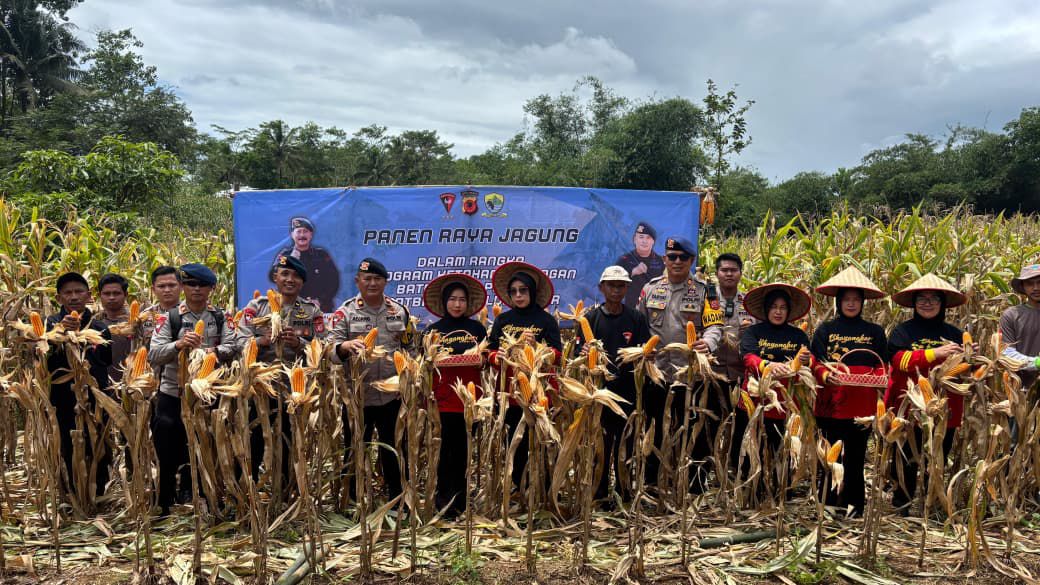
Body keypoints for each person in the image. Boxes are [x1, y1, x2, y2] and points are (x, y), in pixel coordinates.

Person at [148, 264, 239, 515]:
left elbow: (236, 345)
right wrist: (178, 345)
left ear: (212, 288)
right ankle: (163, 500)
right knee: (166, 444)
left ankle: (206, 496)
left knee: (206, 445)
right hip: (173, 393)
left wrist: (214, 352)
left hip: (208, 394)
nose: (196, 290)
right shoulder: (169, 318)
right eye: (190, 284)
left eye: (202, 285)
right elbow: (154, 354)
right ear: (183, 287)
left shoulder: (221, 317)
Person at [635, 236, 722, 491]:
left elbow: (715, 325)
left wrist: (709, 342)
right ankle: (653, 484)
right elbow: (640, 325)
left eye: (682, 257)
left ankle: (695, 485)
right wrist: (642, 350)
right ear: (664, 259)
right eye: (671, 257)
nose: (676, 261)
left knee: (695, 431)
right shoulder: (650, 289)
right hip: (658, 374)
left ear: (691, 261)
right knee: (655, 431)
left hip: (691, 375)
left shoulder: (705, 291)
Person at [884, 273, 974, 514]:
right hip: (909, 404)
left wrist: (969, 358)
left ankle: (931, 503)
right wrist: (935, 354)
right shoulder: (903, 331)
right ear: (913, 303)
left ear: (942, 303)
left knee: (938, 455)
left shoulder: (955, 333)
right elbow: (898, 360)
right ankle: (902, 501)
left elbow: (964, 371)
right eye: (921, 298)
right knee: (906, 454)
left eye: (933, 298)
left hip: (945, 405)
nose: (927, 303)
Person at [330, 257, 415, 501]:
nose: (372, 283)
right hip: (357, 396)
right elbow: (328, 350)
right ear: (358, 281)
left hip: (392, 395)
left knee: (396, 449)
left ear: (385, 282)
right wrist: (345, 346)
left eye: (377, 278)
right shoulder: (345, 313)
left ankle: (399, 500)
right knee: (355, 450)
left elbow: (411, 347)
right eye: (367, 278)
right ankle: (353, 502)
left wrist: (409, 375)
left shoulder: (399, 311)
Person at [236, 254, 326, 484]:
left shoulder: (311, 311)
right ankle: (248, 487)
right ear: (275, 276)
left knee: (290, 437)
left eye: (296, 276)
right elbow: (238, 343)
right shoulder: (256, 307)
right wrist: (260, 342)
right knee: (253, 436)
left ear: (302, 282)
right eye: (285, 274)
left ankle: (286, 488)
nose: (290, 279)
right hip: (260, 386)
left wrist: (299, 344)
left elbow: (322, 347)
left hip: (293, 389)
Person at [810, 266, 888, 516]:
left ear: (862, 303)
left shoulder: (874, 332)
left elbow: (882, 365)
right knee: (831, 457)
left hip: (862, 408)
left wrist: (874, 379)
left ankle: (856, 507)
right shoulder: (825, 330)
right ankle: (830, 505)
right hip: (831, 404)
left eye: (856, 300)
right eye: (846, 299)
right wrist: (825, 375)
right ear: (838, 301)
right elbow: (815, 362)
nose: (851, 304)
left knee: (855, 458)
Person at [573, 266, 651, 502]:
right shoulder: (590, 319)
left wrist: (646, 355)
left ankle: (624, 492)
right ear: (602, 288)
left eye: (620, 285)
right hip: (599, 392)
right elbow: (578, 353)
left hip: (628, 391)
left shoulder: (636, 318)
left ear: (627, 288)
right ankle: (599, 492)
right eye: (611, 285)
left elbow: (645, 349)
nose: (616, 290)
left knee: (625, 443)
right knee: (600, 444)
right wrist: (584, 351)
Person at [487, 261, 562, 489]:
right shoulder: (503, 321)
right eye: (514, 292)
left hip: (540, 394)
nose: (518, 296)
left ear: (532, 291)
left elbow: (557, 356)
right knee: (516, 443)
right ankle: (520, 489)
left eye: (523, 290)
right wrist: (496, 357)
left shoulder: (546, 321)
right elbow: (489, 352)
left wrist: (537, 347)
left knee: (544, 441)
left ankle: (546, 490)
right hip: (511, 394)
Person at [422, 273, 488, 515]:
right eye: (452, 299)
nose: (457, 304)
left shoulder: (477, 329)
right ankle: (442, 500)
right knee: (442, 452)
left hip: (469, 402)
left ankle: (460, 501)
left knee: (462, 453)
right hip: (442, 400)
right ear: (444, 302)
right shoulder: (433, 330)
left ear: (468, 303)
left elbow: (486, 361)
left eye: (462, 299)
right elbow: (424, 365)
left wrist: (482, 360)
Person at [738, 283, 814, 481]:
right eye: (774, 307)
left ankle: (782, 487)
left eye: (783, 307)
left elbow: (810, 360)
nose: (778, 312)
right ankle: (752, 486)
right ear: (766, 309)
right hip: (757, 400)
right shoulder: (753, 332)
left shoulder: (798, 335)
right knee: (754, 445)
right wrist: (767, 366)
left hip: (787, 402)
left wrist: (806, 360)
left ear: (788, 311)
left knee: (783, 445)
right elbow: (747, 357)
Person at [46, 272, 113, 498]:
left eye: (78, 291)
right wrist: (63, 334)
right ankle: (70, 494)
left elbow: (105, 360)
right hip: (63, 397)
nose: (74, 297)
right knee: (66, 444)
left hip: (95, 397)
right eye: (68, 293)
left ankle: (98, 491)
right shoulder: (49, 324)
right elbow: (45, 361)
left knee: (99, 444)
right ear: (59, 298)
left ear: (89, 295)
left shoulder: (100, 326)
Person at [271, 216, 340, 312]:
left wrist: (321, 300)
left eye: (305, 231)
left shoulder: (321, 255)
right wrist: (290, 260)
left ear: (311, 235)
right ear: (292, 235)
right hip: (292, 308)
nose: (302, 235)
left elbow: (334, 281)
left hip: (320, 308)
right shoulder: (285, 254)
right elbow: (273, 276)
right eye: (298, 231)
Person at [1001, 263, 1040, 390]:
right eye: (1030, 283)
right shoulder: (1011, 315)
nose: (1036, 288)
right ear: (1023, 287)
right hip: (1022, 389)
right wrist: (1036, 363)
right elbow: (1008, 354)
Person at [616, 222, 665, 308]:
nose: (644, 241)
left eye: (648, 238)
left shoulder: (660, 261)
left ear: (653, 241)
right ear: (635, 239)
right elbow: (614, 283)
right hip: (630, 309)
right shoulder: (624, 260)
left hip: (654, 309)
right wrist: (633, 272)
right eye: (641, 237)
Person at [96, 273, 132, 383]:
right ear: (99, 295)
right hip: (100, 386)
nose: (111, 297)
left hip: (131, 386)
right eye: (107, 293)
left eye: (116, 293)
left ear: (125, 295)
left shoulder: (136, 323)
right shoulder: (93, 324)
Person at [142, 266, 183, 348]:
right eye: (161, 286)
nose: (167, 290)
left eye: (172, 285)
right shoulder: (144, 316)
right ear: (153, 289)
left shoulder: (190, 312)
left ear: (181, 287)